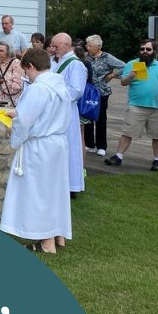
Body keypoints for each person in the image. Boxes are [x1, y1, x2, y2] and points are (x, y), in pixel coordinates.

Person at [0, 47, 73, 255]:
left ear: (30, 66)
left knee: (38, 192)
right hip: (57, 144)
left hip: (40, 147)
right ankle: (58, 234)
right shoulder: (59, 85)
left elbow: (26, 121)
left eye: (26, 71)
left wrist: (14, 121)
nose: (27, 77)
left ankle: (46, 242)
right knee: (54, 190)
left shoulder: (38, 88)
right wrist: (19, 113)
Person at [105, 39, 158, 170]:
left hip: (156, 106)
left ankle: (157, 161)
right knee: (128, 132)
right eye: (142, 49)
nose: (145, 51)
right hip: (136, 105)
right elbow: (123, 83)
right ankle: (118, 156)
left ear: (154, 51)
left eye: (148, 49)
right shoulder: (132, 64)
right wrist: (131, 75)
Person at [49, 32, 87, 195]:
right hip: (57, 110)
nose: (53, 49)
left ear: (66, 45)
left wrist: (54, 95)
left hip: (67, 110)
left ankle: (72, 186)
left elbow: (77, 90)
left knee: (69, 145)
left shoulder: (75, 64)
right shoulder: (56, 61)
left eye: (55, 46)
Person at [83, 35, 123, 158]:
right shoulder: (85, 57)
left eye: (90, 45)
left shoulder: (107, 57)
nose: (87, 47)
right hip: (88, 91)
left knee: (101, 118)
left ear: (98, 46)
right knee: (87, 116)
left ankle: (101, 146)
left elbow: (123, 66)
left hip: (101, 91)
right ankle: (89, 143)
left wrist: (112, 75)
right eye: (87, 45)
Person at [0, 41, 24, 106]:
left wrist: (2, 82)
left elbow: (17, 86)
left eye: (1, 51)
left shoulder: (16, 64)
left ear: (8, 52)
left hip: (9, 104)